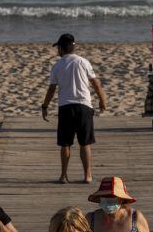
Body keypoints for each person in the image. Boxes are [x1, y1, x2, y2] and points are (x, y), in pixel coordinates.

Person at [41, 34, 107, 184]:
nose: (57, 50)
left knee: (65, 144)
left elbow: (51, 89)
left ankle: (64, 176)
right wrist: (102, 99)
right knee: (85, 143)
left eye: (58, 47)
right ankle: (87, 175)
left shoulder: (57, 65)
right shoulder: (84, 62)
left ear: (62, 48)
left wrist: (45, 106)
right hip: (84, 106)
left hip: (66, 107)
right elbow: (95, 83)